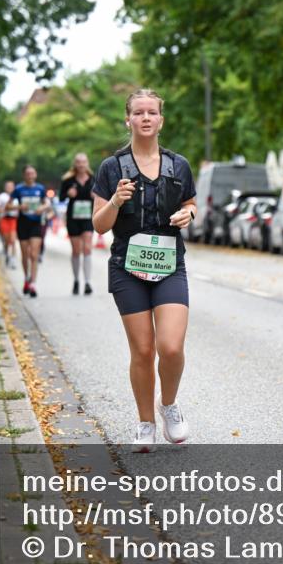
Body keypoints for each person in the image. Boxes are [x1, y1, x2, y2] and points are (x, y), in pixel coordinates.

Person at [92, 88, 197, 452]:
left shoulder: (178, 164)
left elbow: (191, 203)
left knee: (170, 347)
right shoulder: (112, 168)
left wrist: (190, 213)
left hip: (170, 264)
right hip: (127, 266)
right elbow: (100, 225)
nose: (146, 118)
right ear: (129, 119)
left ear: (161, 120)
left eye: (152, 112)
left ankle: (168, 404)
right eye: (139, 113)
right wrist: (117, 201)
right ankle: (145, 423)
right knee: (142, 350)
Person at [60, 153, 96, 295]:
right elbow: (60, 198)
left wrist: (96, 195)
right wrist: (68, 194)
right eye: (78, 162)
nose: (81, 165)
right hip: (73, 218)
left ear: (87, 163)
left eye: (83, 162)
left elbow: (104, 196)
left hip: (88, 217)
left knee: (87, 248)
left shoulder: (94, 179)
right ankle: (76, 280)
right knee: (76, 250)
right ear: (75, 164)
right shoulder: (68, 180)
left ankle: (87, 282)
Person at [11, 166, 49, 298]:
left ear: (35, 174)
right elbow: (8, 206)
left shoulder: (40, 188)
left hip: (36, 223)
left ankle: (33, 283)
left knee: (34, 254)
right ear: (24, 176)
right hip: (23, 223)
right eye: (27, 173)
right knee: (25, 254)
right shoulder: (18, 189)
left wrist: (42, 208)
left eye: (32, 173)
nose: (30, 175)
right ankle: (26, 278)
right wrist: (19, 206)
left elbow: (47, 203)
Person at [0, 181, 18, 268]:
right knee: (6, 240)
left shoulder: (17, 196)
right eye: (8, 186)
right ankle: (7, 254)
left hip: (14, 219)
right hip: (4, 219)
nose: (9, 188)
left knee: (13, 240)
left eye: (11, 186)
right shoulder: (2, 197)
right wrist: (6, 209)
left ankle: (13, 260)